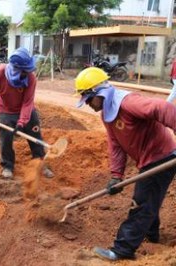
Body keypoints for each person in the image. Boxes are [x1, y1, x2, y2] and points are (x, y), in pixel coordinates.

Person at [74, 67, 176, 261]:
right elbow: (116, 145)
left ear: (99, 93)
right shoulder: (107, 113)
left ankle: (122, 250)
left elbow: (163, 108)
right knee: (148, 199)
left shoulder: (128, 102)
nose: (87, 104)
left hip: (162, 157)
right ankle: (151, 236)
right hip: (148, 159)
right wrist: (116, 176)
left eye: (87, 99)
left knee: (141, 203)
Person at [0, 47, 54, 179]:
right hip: (6, 111)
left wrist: (22, 122)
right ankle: (7, 166)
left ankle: (40, 163)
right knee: (6, 139)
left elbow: (27, 102)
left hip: (27, 111)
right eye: (24, 71)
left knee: (35, 137)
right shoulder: (0, 73)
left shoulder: (30, 78)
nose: (28, 73)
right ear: (15, 69)